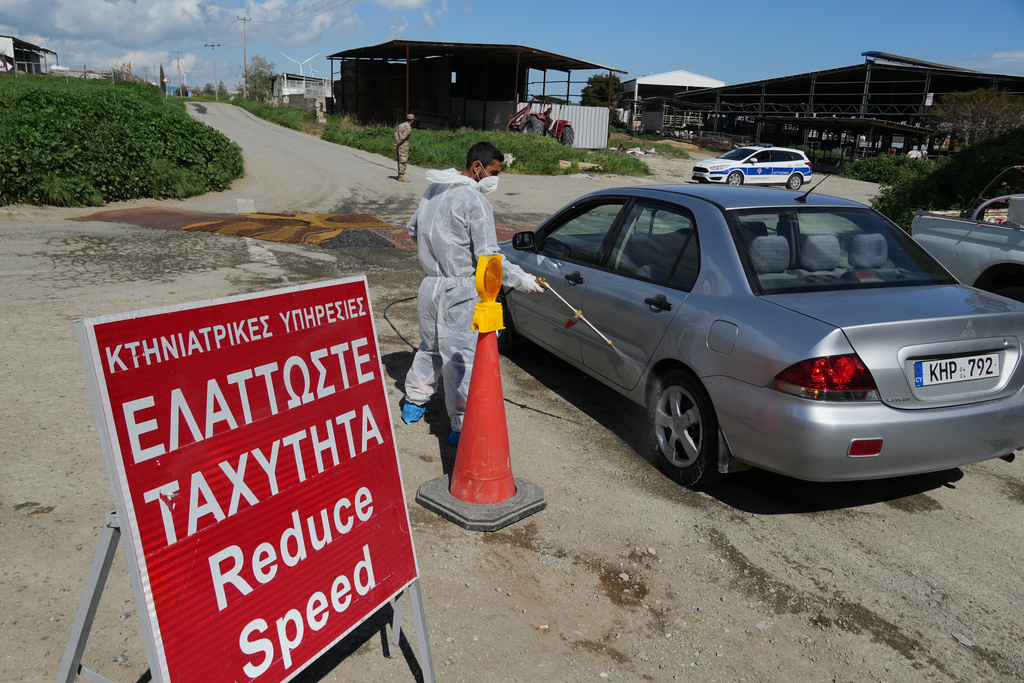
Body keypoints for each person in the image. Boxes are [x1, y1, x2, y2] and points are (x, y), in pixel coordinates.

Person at [401, 141, 543, 446]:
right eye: (493, 172)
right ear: (477, 167)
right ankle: (461, 426)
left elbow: (413, 229)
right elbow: (489, 259)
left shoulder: (435, 190)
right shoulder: (475, 202)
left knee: (429, 347)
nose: (495, 179)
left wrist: (435, 254)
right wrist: (522, 279)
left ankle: (414, 402)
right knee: (460, 358)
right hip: (460, 291)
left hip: (431, 285)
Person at [393, 112, 414, 182]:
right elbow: (403, 138)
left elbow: (395, 133)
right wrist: (398, 143)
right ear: (412, 120)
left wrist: (397, 141)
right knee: (403, 161)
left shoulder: (401, 125)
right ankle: (401, 176)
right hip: (403, 146)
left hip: (399, 145)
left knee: (399, 160)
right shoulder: (408, 127)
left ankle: (400, 175)